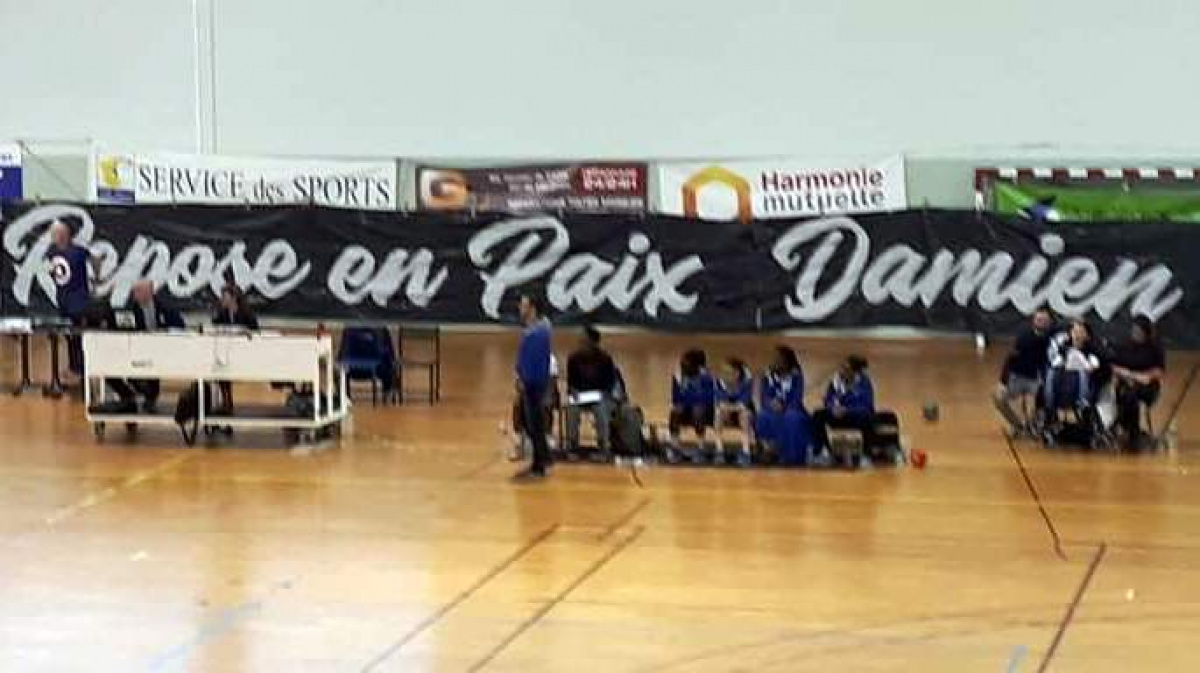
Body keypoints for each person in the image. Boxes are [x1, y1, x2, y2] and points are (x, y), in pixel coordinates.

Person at [106, 280, 185, 412]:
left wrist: (165, 331)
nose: (137, 294)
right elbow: (116, 326)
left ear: (151, 291)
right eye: (135, 291)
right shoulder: (127, 308)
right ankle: (128, 397)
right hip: (132, 349)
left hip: (159, 348)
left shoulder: (164, 306)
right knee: (109, 369)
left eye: (141, 291)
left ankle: (149, 396)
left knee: (150, 370)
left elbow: (180, 325)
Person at [47, 220, 97, 381]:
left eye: (57, 234)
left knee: (78, 337)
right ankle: (74, 367)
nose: (55, 237)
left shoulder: (78, 252)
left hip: (78, 301)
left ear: (65, 235)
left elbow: (94, 260)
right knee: (69, 336)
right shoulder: (52, 252)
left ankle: (82, 369)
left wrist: (94, 281)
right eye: (54, 234)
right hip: (64, 300)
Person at [994, 308, 1055, 435]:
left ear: (1050, 322)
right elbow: (1010, 359)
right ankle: (1017, 425)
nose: (1041, 323)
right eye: (1038, 319)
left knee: (1032, 406)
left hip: (1037, 380)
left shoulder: (1052, 339)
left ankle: (1034, 424)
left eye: (1044, 320)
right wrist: (1003, 382)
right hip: (1018, 377)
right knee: (998, 398)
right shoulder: (1024, 338)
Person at [512, 294, 553, 481]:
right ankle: (544, 457)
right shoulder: (537, 328)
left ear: (532, 309)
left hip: (533, 385)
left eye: (523, 305)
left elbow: (532, 361)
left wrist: (524, 380)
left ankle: (539, 466)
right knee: (531, 424)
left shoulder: (537, 333)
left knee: (534, 425)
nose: (520, 308)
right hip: (532, 382)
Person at [812, 355, 879, 466]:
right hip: (838, 416)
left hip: (856, 418)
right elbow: (828, 399)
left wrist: (847, 410)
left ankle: (866, 455)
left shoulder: (864, 383)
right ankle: (823, 452)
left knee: (868, 418)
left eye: (846, 369)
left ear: (854, 372)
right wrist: (832, 408)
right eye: (841, 367)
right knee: (818, 415)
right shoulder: (836, 382)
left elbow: (866, 406)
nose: (842, 371)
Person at [1110, 315, 1166, 447]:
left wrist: (1147, 376)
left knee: (1131, 394)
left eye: (1139, 331)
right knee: (1127, 393)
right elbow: (1112, 365)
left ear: (1146, 333)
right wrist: (1129, 375)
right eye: (1134, 330)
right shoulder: (1124, 345)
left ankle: (1123, 426)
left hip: (1147, 386)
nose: (1136, 334)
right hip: (1126, 381)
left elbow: (1159, 370)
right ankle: (1130, 429)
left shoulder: (1155, 348)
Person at [565, 326, 618, 460]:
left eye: (583, 340)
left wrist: (603, 394)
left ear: (593, 342)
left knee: (601, 411)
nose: (580, 343)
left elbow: (610, 383)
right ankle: (572, 445)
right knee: (571, 409)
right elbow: (571, 383)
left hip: (600, 397)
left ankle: (603, 447)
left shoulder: (605, 359)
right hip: (580, 396)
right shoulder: (573, 359)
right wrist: (573, 391)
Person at [755, 345, 809, 465]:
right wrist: (771, 403)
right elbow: (764, 397)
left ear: (787, 361)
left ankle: (791, 456)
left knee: (792, 418)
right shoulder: (768, 376)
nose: (775, 361)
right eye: (774, 359)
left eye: (779, 359)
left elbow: (797, 397)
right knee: (763, 416)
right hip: (772, 409)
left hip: (792, 408)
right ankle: (768, 451)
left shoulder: (796, 376)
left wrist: (784, 406)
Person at [212, 284, 260, 413]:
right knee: (221, 369)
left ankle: (227, 403)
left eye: (225, 296)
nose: (222, 299)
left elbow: (255, 331)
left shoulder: (246, 313)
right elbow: (216, 326)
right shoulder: (222, 313)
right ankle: (226, 402)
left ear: (233, 298)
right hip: (228, 352)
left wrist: (246, 332)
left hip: (246, 353)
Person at [667, 349, 718, 463]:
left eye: (686, 363)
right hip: (686, 409)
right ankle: (675, 447)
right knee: (675, 412)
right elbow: (675, 398)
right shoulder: (678, 377)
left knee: (698, 410)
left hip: (707, 412)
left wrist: (688, 397)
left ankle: (701, 447)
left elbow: (707, 399)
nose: (683, 365)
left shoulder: (707, 377)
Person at [1043, 319, 1103, 414]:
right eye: (1074, 331)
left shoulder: (1090, 353)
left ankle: (1081, 406)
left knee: (1081, 374)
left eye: (1081, 332)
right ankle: (1051, 406)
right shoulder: (1063, 350)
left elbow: (1093, 367)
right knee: (1052, 372)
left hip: (1079, 386)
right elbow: (1055, 364)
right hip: (1061, 384)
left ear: (1087, 336)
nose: (1077, 335)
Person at [507, 354, 559, 461]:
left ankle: (547, 435)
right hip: (528, 391)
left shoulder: (550, 359)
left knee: (546, 403)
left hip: (544, 391)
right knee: (517, 404)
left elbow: (552, 383)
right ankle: (519, 439)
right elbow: (518, 382)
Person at [715, 357, 755, 466]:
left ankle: (746, 452)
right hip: (728, 412)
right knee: (718, 414)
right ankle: (719, 451)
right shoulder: (719, 382)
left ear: (736, 374)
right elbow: (720, 402)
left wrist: (731, 407)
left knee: (745, 415)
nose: (723, 375)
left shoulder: (747, 381)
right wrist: (729, 408)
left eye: (727, 372)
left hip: (744, 412)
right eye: (723, 372)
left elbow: (744, 403)